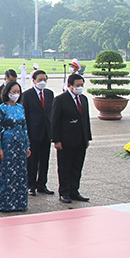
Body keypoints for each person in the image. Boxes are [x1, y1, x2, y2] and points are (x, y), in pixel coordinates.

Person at [51, 73, 92, 204]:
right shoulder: (60, 99)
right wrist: (56, 140)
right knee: (65, 167)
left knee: (77, 166)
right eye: (77, 85)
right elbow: (55, 121)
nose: (80, 87)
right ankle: (64, 192)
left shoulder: (84, 99)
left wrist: (87, 138)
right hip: (66, 140)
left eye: (82, 85)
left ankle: (74, 190)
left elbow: (86, 120)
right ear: (70, 86)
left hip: (80, 139)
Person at [0, 81, 31, 211]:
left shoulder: (20, 108)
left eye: (18, 92)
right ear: (7, 93)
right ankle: (6, 203)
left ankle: (20, 203)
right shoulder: (2, 108)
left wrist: (27, 145)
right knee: (8, 173)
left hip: (21, 142)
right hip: (8, 142)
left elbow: (25, 127)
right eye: (13, 92)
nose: (16, 94)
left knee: (21, 173)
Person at [22, 70, 55, 196]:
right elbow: (25, 116)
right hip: (33, 132)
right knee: (32, 160)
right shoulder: (27, 95)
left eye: (45, 79)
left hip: (46, 131)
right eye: (40, 79)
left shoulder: (49, 94)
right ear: (34, 80)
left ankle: (42, 184)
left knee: (45, 159)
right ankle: (31, 185)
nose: (42, 82)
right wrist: (27, 135)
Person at [0, 69, 18, 183]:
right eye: (10, 80)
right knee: (0, 151)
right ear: (5, 79)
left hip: (14, 128)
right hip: (2, 127)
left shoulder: (16, 94)